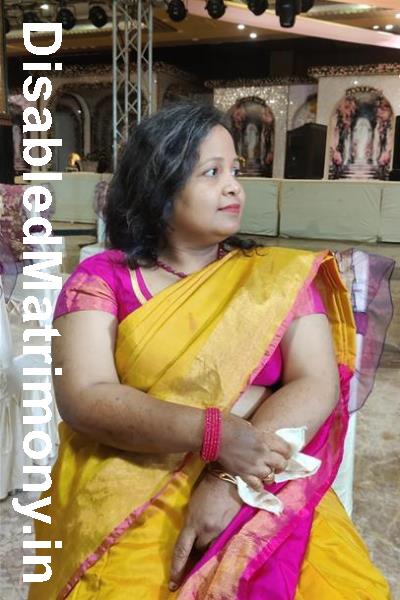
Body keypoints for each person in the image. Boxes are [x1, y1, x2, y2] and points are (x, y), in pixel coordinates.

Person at [29, 103, 390, 599]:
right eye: (211, 172)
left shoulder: (275, 276)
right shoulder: (103, 278)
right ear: (159, 185)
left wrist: (229, 479)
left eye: (235, 171)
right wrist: (215, 433)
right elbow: (85, 396)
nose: (234, 187)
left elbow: (315, 381)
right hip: (129, 479)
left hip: (261, 474)